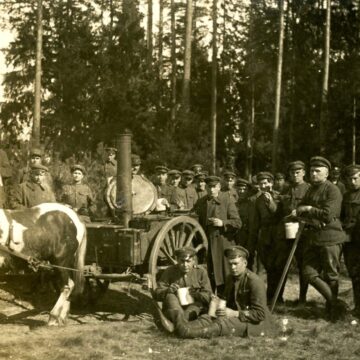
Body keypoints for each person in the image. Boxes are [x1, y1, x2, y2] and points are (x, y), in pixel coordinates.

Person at [174, 246, 275, 339]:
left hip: (254, 324)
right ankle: (182, 327)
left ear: (245, 263)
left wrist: (235, 313)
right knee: (207, 316)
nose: (232, 267)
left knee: (222, 323)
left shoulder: (254, 281)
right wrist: (216, 301)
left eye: (236, 264)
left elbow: (260, 314)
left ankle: (188, 333)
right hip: (234, 315)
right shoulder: (230, 278)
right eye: (230, 264)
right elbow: (226, 300)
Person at [295, 156, 347, 321]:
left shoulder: (332, 190)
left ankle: (332, 312)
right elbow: (299, 207)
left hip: (330, 237)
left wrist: (309, 209)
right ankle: (335, 303)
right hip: (314, 237)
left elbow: (328, 214)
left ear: (326, 174)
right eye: (311, 170)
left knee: (331, 275)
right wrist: (300, 210)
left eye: (318, 171)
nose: (313, 174)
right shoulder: (311, 189)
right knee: (308, 272)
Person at [193, 176, 242, 293]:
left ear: (219, 187)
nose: (211, 190)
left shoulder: (227, 200)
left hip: (223, 243)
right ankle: (211, 301)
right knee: (210, 274)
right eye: (209, 187)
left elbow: (238, 222)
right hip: (207, 244)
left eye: (214, 187)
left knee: (225, 275)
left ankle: (227, 302)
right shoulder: (201, 202)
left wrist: (223, 223)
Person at [277, 160, 311, 304]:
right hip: (286, 231)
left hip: (303, 233)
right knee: (282, 264)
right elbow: (279, 211)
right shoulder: (285, 189)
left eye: (298, 172)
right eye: (292, 173)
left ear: (303, 173)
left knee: (304, 265)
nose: (295, 175)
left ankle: (302, 298)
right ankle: (279, 297)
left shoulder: (309, 189)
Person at [154, 247, 212, 325]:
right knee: (170, 296)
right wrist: (168, 290)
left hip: (193, 307)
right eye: (182, 261)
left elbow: (208, 295)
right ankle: (183, 324)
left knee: (197, 305)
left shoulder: (200, 272)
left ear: (193, 261)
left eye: (188, 261)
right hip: (175, 307)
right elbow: (157, 293)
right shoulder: (170, 271)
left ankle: (180, 324)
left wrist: (196, 294)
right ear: (177, 260)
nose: (185, 265)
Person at [250, 171, 282, 303]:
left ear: (271, 183)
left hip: (278, 236)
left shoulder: (278, 197)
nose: (263, 186)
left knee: (276, 267)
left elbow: (279, 215)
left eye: (265, 183)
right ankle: (263, 297)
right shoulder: (258, 200)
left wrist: (271, 202)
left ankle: (276, 297)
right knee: (265, 267)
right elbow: (256, 221)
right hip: (264, 236)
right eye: (260, 183)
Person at [341, 164, 360, 317]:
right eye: (350, 179)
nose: (353, 182)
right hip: (350, 241)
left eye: (356, 178)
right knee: (354, 273)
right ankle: (358, 307)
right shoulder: (346, 196)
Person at [235, 178, 257, 269]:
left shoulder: (251, 204)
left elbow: (252, 225)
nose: (241, 191)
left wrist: (250, 243)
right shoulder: (235, 203)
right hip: (236, 237)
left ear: (248, 191)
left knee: (249, 263)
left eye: (244, 189)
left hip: (248, 237)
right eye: (239, 189)